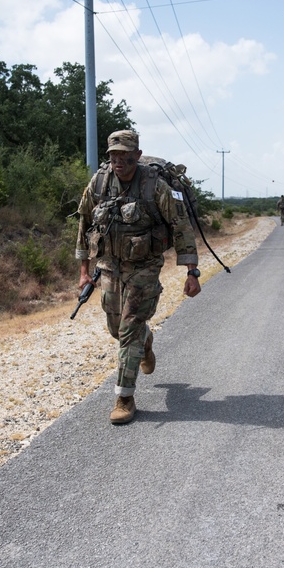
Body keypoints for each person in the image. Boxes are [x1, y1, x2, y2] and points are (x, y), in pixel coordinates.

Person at [75, 130, 201, 424]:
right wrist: (83, 271)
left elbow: (181, 226)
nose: (119, 160)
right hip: (109, 265)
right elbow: (83, 225)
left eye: (125, 154)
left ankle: (124, 397)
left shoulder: (154, 186)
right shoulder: (99, 182)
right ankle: (146, 343)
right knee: (115, 328)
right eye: (113, 155)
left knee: (129, 326)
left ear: (138, 155)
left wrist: (191, 272)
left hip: (145, 266)